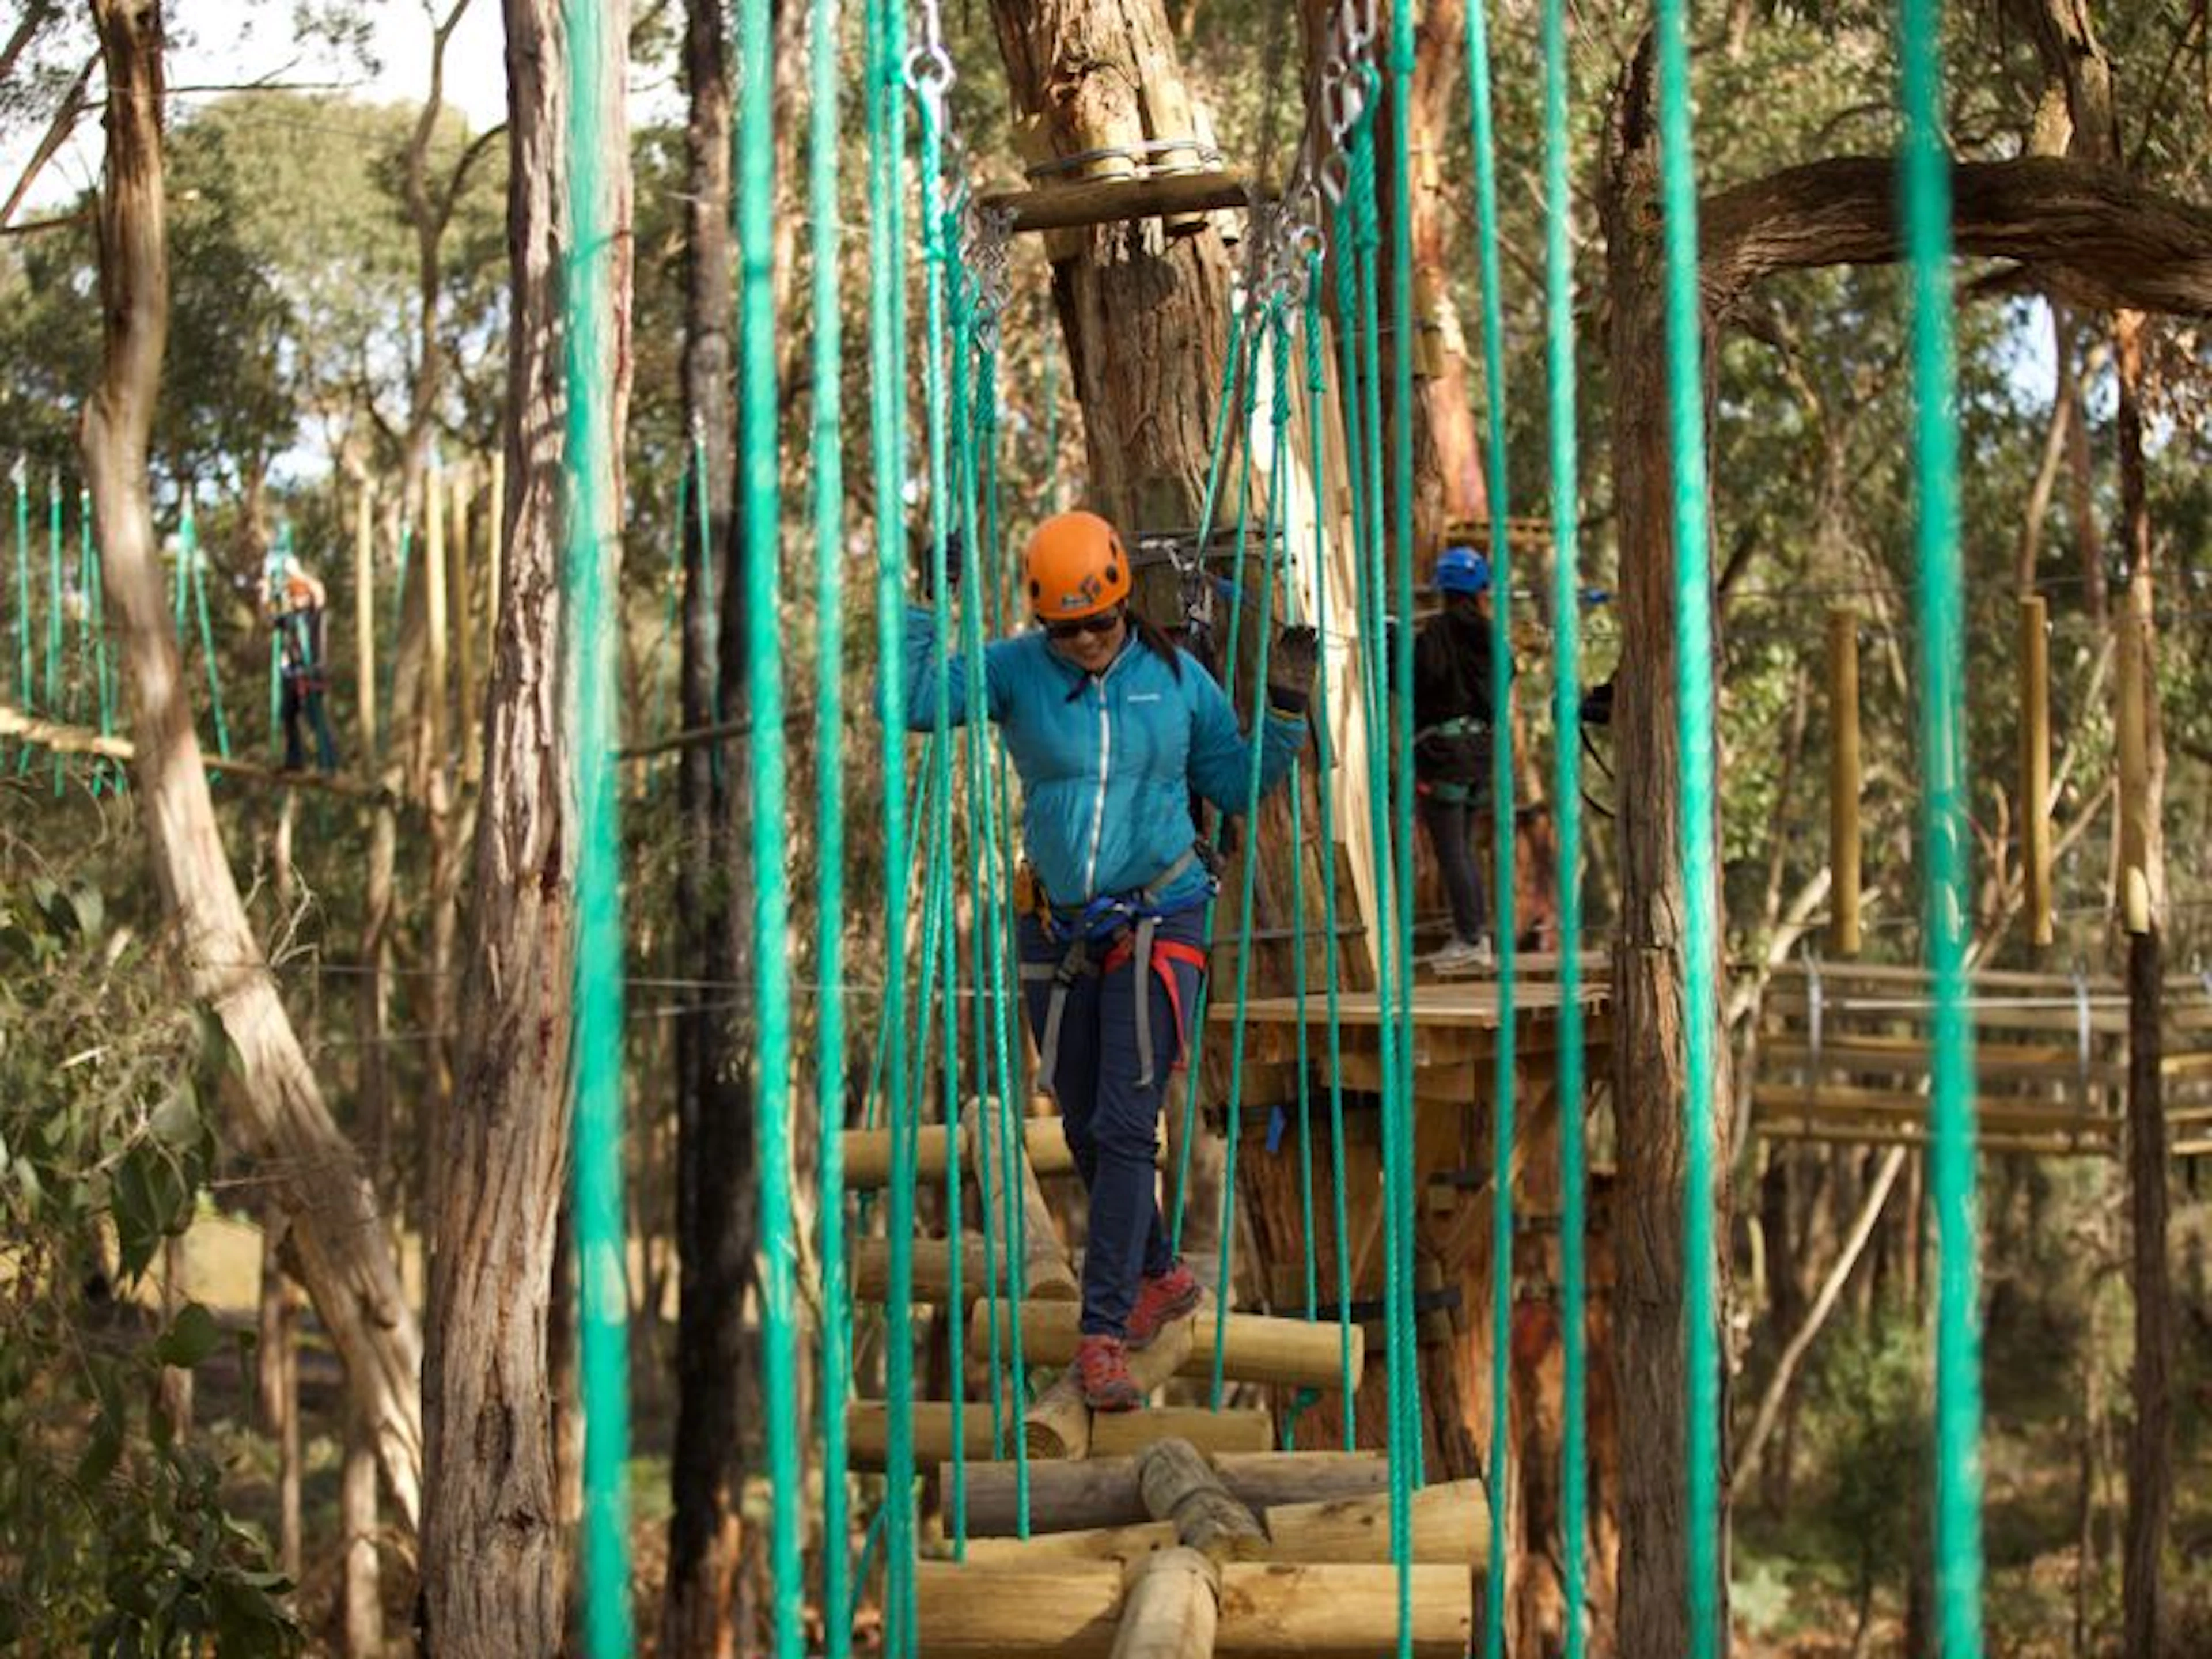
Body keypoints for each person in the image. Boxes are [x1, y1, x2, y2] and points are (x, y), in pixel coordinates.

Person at [895, 508, 1316, 1410]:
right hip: (1058, 929)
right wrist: (929, 600)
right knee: (1084, 1122)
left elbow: (1233, 784)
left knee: (1128, 1126)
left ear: (1124, 603)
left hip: (1163, 916)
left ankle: (1104, 1333)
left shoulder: (1178, 680)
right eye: (1067, 628)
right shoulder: (1018, 671)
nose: (1086, 641)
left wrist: (1284, 715)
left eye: (1099, 622)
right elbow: (916, 703)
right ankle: (1158, 1272)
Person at [1413, 543, 1506, 971]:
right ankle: (1473, 935)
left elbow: (1420, 678)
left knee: (1453, 850)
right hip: (1481, 753)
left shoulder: (1436, 634)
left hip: (1444, 754)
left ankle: (1471, 938)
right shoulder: (1492, 637)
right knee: (1464, 848)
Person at [266, 552, 339, 774]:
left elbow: (319, 591)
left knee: (315, 716)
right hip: (293, 673)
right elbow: (269, 619)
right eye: (294, 595)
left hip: (311, 671)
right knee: (288, 715)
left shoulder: (314, 614)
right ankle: (294, 761)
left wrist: (297, 572)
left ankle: (328, 763)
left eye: (300, 595)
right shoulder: (290, 618)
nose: (296, 599)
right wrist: (265, 593)